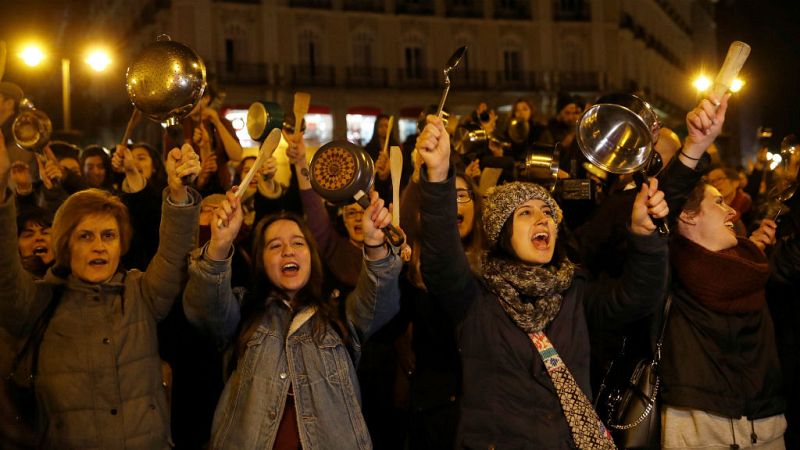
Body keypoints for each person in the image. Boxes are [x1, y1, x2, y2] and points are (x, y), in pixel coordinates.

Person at [415, 114, 670, 448]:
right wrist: (437, 176)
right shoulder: (476, 297)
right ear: (502, 231)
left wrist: (643, 236)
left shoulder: (574, 292)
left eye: (548, 212)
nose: (543, 219)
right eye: (526, 213)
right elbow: (440, 260)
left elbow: (637, 298)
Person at [0, 131, 201, 448]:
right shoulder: (37, 302)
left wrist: (178, 193)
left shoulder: (139, 293)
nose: (99, 247)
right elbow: (5, 272)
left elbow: (174, 254)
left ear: (122, 244)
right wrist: (1, 191)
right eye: (85, 236)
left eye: (108, 236)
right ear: (65, 243)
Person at [183, 187, 402, 449]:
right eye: (275, 245)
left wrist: (375, 245)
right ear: (261, 261)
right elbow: (204, 308)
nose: (288, 251)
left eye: (298, 243)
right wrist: (219, 245)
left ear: (311, 255)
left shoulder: (338, 314)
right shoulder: (244, 311)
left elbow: (380, 302)